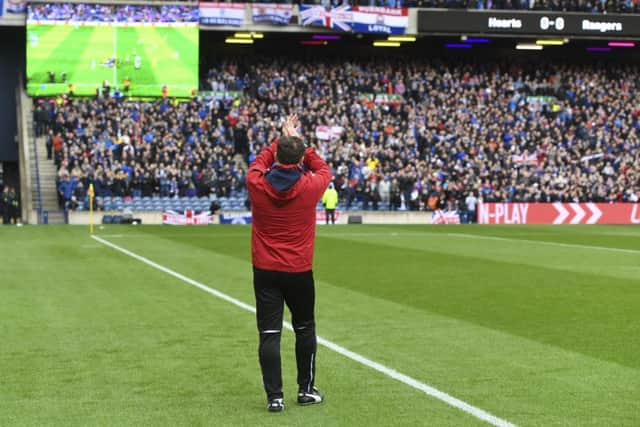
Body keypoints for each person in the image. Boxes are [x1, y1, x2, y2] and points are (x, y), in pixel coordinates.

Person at [247, 114, 331, 413]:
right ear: (299, 160)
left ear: (276, 156)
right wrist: (298, 141)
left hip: (266, 269)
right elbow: (322, 167)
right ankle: (306, 390)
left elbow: (259, 161)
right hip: (298, 269)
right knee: (305, 327)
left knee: (269, 333)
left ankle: (275, 397)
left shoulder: (256, 182)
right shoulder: (310, 186)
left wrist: (281, 141)